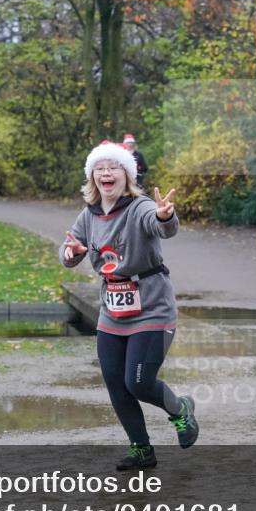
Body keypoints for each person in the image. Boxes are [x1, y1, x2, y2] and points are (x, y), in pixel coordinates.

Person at [59, 141, 198, 470]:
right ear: (93, 176)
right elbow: (70, 248)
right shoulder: (88, 214)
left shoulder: (140, 206)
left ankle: (180, 409)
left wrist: (166, 216)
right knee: (114, 380)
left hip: (152, 309)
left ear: (127, 175)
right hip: (113, 311)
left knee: (137, 382)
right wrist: (71, 253)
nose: (107, 173)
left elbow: (161, 225)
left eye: (114, 167)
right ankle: (141, 449)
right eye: (100, 168)